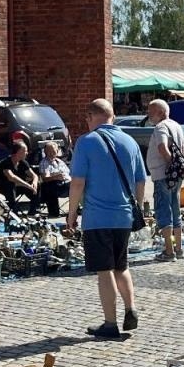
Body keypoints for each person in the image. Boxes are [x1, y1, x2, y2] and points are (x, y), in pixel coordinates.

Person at [67, 99, 148, 339]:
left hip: (97, 217)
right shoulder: (130, 141)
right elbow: (141, 180)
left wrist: (72, 214)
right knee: (121, 266)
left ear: (91, 117)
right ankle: (131, 307)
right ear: (112, 116)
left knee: (104, 271)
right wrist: (139, 208)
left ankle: (110, 323)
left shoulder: (86, 142)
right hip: (124, 216)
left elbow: (78, 182)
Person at [145, 98, 184, 261]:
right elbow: (182, 150)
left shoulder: (160, 127)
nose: (148, 115)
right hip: (174, 176)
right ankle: (179, 249)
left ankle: (169, 252)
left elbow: (162, 147)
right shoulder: (177, 126)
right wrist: (177, 168)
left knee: (164, 211)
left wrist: (171, 165)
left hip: (163, 174)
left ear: (161, 112)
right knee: (175, 209)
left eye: (151, 112)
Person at [0, 141, 40, 212]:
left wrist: (34, 183)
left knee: (37, 184)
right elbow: (11, 177)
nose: (27, 153)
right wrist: (27, 185)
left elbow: (34, 175)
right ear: (18, 152)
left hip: (17, 187)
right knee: (11, 184)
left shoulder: (23, 162)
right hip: (3, 189)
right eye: (25, 151)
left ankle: (33, 210)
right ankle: (13, 211)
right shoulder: (6, 163)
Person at [36, 140, 70, 217]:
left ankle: (77, 208)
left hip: (66, 183)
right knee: (50, 186)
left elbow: (68, 173)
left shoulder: (60, 161)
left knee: (80, 184)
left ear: (57, 151)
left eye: (54, 151)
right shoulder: (44, 163)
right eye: (49, 151)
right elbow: (45, 178)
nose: (51, 153)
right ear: (45, 152)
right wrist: (56, 176)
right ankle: (54, 212)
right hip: (55, 185)